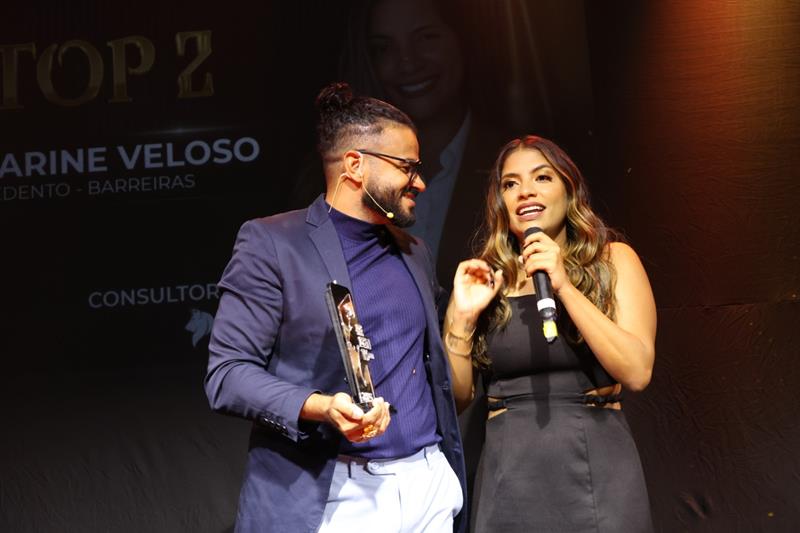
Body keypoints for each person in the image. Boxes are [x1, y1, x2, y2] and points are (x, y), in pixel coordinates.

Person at [205, 82, 466, 533]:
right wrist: (321, 406)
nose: (420, 182)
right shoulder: (273, 243)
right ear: (355, 164)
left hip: (427, 485)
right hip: (338, 493)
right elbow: (227, 375)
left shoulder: (415, 251)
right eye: (407, 167)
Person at [442, 135, 656, 532]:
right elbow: (456, 399)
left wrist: (564, 286)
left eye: (542, 177)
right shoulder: (485, 278)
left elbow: (637, 371)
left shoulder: (613, 260)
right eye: (510, 183)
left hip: (595, 468)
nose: (525, 191)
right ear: (500, 201)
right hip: (510, 474)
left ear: (569, 190)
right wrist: (462, 320)